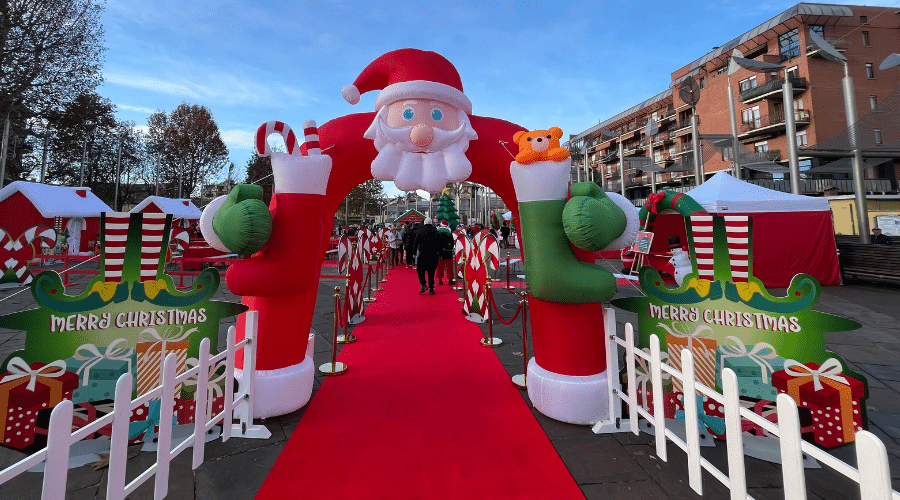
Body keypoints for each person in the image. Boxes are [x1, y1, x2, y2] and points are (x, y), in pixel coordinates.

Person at [412, 218, 441, 294]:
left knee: (420, 270)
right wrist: (440, 253)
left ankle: (423, 284)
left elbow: (416, 242)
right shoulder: (436, 231)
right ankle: (431, 288)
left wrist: (414, 252)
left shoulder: (420, 231)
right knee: (431, 272)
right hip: (433, 254)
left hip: (423, 254)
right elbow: (440, 243)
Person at [435, 220, 455, 286]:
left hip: (440, 251)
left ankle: (440, 280)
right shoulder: (449, 231)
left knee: (440, 266)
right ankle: (450, 280)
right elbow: (452, 242)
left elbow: (436, 241)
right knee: (449, 266)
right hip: (448, 251)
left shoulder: (438, 231)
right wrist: (451, 248)